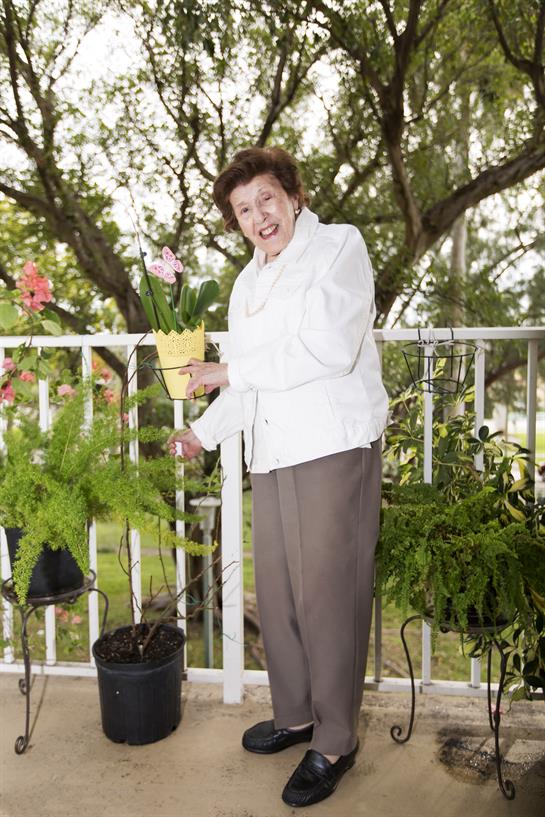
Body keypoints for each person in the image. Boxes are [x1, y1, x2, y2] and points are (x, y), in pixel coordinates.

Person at [168, 146, 389, 808]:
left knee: (328, 596)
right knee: (283, 594)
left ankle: (334, 739)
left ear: (293, 195)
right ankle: (294, 714)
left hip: (331, 446)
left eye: (265, 198)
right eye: (242, 209)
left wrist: (229, 372)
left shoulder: (337, 248)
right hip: (270, 453)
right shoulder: (246, 282)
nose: (257, 215)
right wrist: (201, 431)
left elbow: (328, 342)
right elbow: (247, 381)